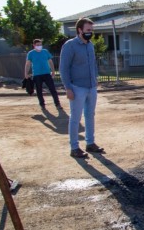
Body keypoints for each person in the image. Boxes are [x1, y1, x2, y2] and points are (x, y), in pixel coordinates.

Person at [59, 17, 105, 158]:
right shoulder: (70, 45)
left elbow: (93, 64)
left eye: (91, 30)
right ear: (79, 30)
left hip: (91, 87)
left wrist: (95, 79)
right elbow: (63, 68)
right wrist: (68, 88)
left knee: (90, 115)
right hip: (77, 87)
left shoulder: (90, 45)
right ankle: (74, 148)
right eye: (88, 30)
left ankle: (90, 143)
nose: (90, 33)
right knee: (75, 118)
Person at [24, 39, 62, 110]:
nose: (39, 46)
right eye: (38, 45)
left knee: (53, 89)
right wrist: (26, 73)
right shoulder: (31, 53)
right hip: (37, 75)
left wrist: (53, 71)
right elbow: (28, 64)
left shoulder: (45, 51)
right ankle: (42, 104)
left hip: (47, 73)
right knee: (39, 90)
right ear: (34, 45)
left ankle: (57, 104)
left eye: (40, 45)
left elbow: (50, 61)